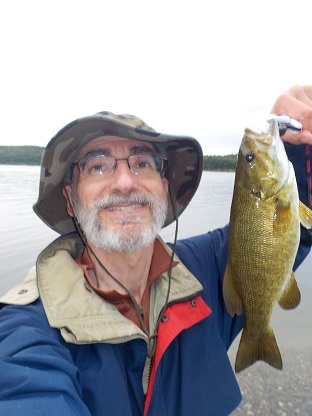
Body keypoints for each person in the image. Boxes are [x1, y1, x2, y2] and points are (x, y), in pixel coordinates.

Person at [0, 85, 311, 416]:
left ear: (164, 190)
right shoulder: (26, 330)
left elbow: (290, 229)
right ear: (70, 200)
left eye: (142, 162)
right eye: (98, 166)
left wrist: (294, 141)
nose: (124, 182)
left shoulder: (203, 269)